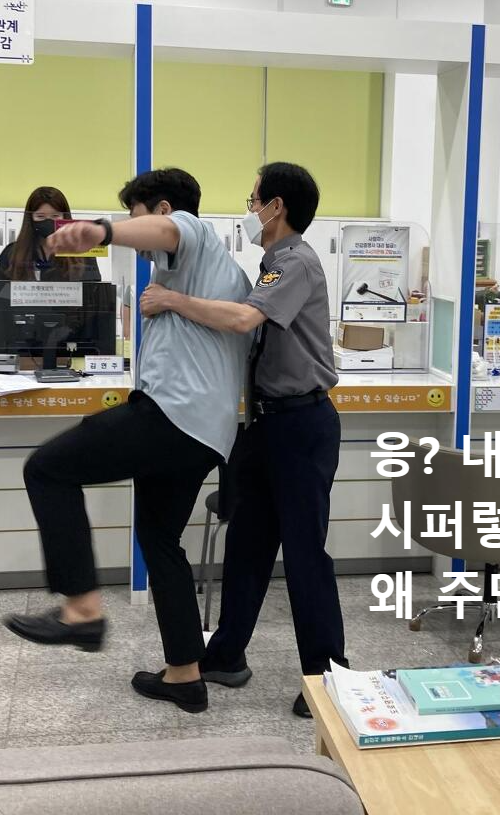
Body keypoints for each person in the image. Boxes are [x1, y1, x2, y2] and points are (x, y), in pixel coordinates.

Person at [1, 168, 250, 714]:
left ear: (160, 209)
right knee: (160, 541)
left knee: (47, 469)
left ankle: (81, 611)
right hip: (202, 433)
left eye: (136, 216)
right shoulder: (198, 274)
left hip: (173, 416)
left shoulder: (192, 236)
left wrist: (103, 231)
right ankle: (185, 676)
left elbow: (167, 230)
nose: (137, 234)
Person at [140, 161, 346, 718]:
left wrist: (172, 300)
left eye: (254, 200)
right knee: (247, 544)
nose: (250, 210)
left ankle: (328, 678)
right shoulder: (270, 265)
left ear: (277, 206)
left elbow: (241, 321)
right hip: (263, 425)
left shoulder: (295, 262)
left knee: (304, 552)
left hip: (301, 425)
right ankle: (227, 654)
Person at [0, 186, 101, 282]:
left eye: (55, 216)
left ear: (65, 217)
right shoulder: (12, 253)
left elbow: (94, 291)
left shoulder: (82, 252)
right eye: (40, 216)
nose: (48, 221)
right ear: (30, 219)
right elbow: (0, 292)